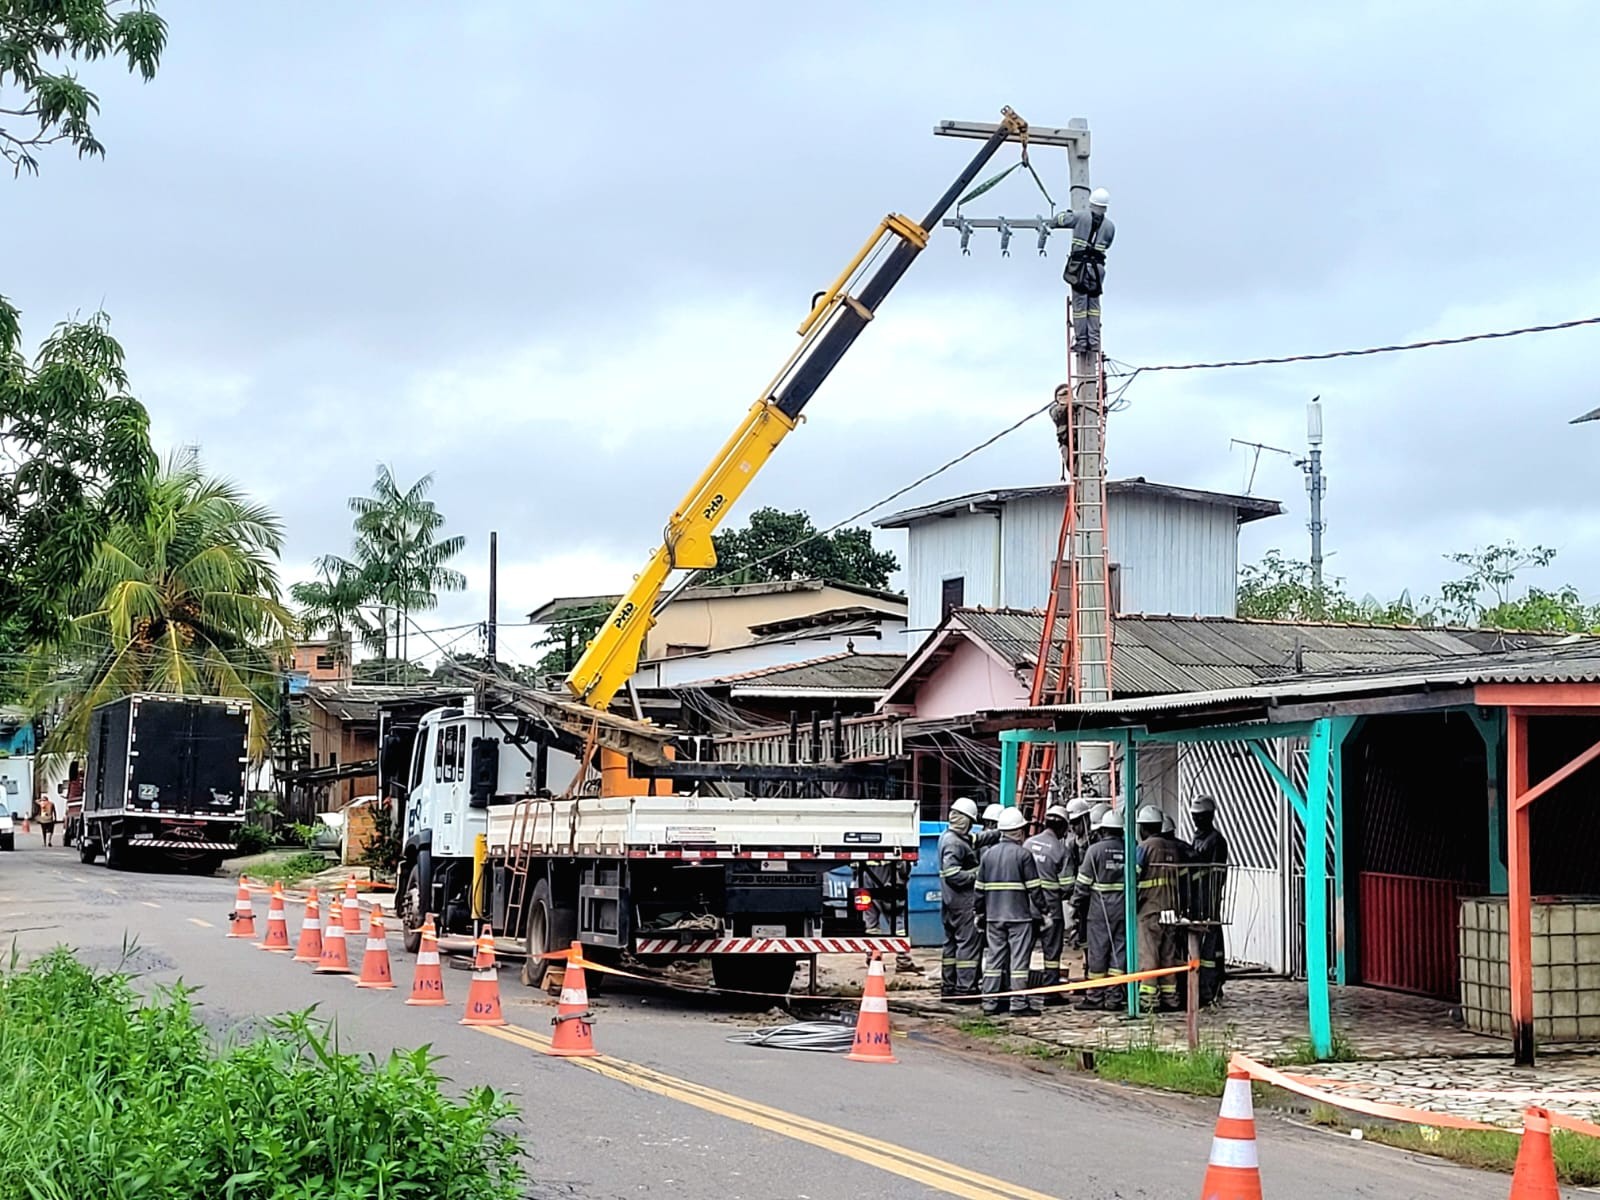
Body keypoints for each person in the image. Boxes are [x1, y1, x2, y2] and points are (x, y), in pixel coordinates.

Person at [976, 807, 1048, 1017]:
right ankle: (1018, 1004)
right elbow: (1035, 889)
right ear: (1018, 831)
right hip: (1019, 918)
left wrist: (979, 913)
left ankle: (989, 1002)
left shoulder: (988, 856)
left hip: (993, 917)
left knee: (994, 960)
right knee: (1019, 961)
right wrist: (1045, 912)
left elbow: (979, 890)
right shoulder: (1024, 855)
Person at [1072, 808, 1127, 1010]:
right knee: (1118, 953)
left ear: (1103, 830)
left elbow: (1082, 884)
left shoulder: (1094, 851)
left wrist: (1075, 905)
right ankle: (1114, 997)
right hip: (1123, 911)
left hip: (1099, 912)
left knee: (1098, 953)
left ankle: (1095, 996)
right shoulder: (1131, 847)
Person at [1050, 187, 1114, 354]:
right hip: (1098, 270)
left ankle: (1082, 341)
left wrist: (1069, 212)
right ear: (1105, 207)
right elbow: (1108, 244)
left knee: (1079, 307)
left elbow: (1058, 220)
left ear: (1091, 202)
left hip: (1079, 269)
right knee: (1093, 305)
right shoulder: (1109, 226)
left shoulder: (1080, 216)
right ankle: (1093, 342)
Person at [1134, 805, 1184, 1012]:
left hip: (1149, 909)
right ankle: (1171, 998)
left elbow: (1134, 876)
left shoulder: (1144, 848)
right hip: (1171, 910)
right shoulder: (1173, 848)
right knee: (1168, 955)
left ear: (1143, 828)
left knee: (1149, 955)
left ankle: (1149, 1001)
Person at [1024, 805, 1073, 1000]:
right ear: (1063, 828)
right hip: (1051, 909)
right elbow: (1068, 885)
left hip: (1027, 907)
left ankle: (1018, 990)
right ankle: (1050, 993)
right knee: (1051, 952)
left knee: (1023, 949)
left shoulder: (1028, 844)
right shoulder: (1062, 850)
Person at [938, 797, 985, 1002]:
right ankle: (965, 989)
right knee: (968, 944)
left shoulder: (948, 837)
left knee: (950, 946)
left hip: (949, 902)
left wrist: (998, 833)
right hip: (963, 903)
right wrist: (977, 874)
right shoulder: (954, 843)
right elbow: (953, 874)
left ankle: (949, 985)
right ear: (966, 820)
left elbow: (977, 840)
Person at [1188, 794, 1230, 1007]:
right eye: (1195, 816)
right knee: (1198, 944)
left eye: (1201, 816)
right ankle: (1202, 983)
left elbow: (1215, 873)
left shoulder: (1216, 840)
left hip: (1208, 898)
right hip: (1195, 898)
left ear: (1210, 816)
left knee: (1211, 945)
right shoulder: (1197, 838)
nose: (1197, 820)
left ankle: (1212, 984)